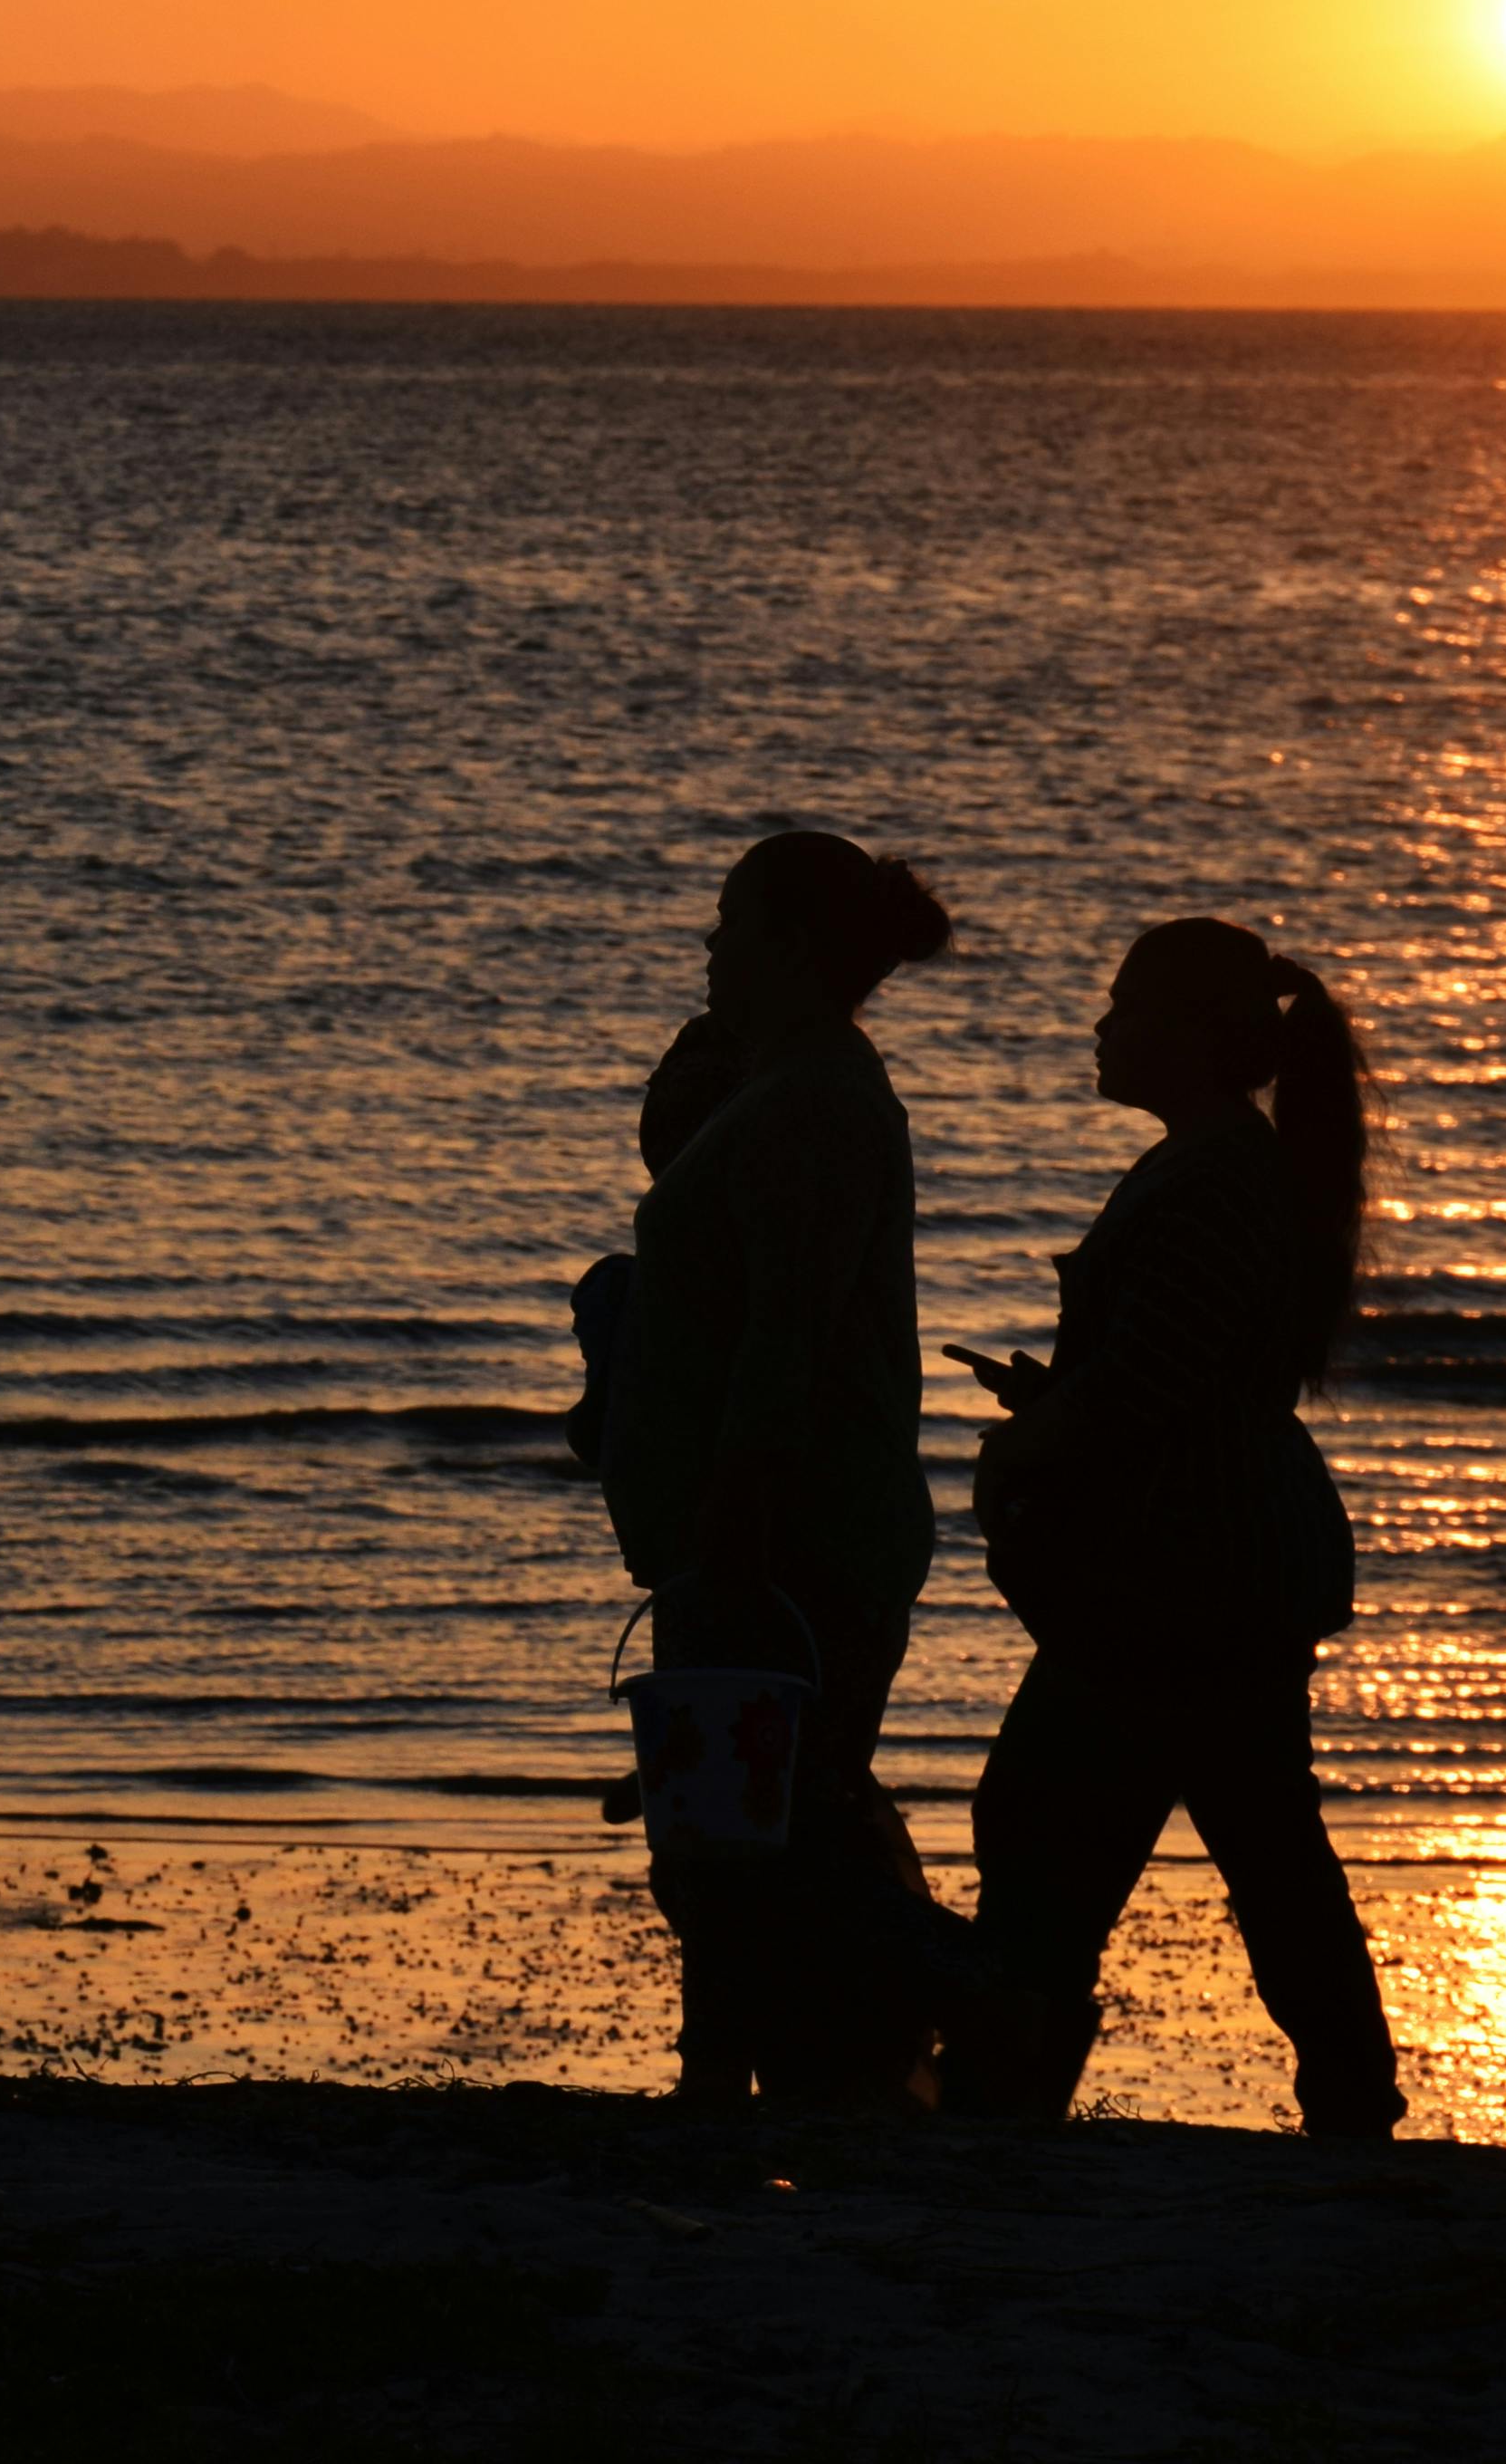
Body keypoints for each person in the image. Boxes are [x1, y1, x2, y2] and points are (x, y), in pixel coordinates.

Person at [942, 916, 1408, 2138]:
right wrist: (1053, 1407)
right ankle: (1347, 2105)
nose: (1101, 1030)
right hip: (1202, 1568)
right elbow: (1168, 1373)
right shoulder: (1214, 1170)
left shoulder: (1213, 1181)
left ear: (1193, 1037)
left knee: (1056, 1828)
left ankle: (1013, 2085)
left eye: (1124, 1009)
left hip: (1180, 1579)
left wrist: (1029, 1441)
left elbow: (1149, 1384)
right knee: (1248, 1848)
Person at [593, 828, 953, 2109]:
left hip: (794, 1538)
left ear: (792, 947)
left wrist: (738, 1521)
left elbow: (784, 1336)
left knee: (761, 1836)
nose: (709, 948)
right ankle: (739, 2072)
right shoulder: (782, 1084)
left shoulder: (818, 1103)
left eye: (730, 925)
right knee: (734, 1831)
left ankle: (892, 2038)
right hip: (754, 1529)